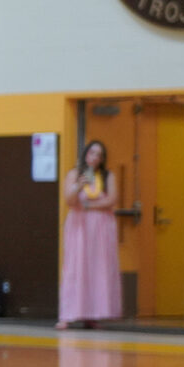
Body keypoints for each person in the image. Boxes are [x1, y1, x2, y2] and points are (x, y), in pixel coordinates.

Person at [56, 140, 121, 330]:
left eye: (99, 155)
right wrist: (78, 186)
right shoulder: (74, 174)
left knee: (97, 269)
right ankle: (67, 315)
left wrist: (88, 206)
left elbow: (111, 200)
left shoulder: (107, 176)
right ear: (85, 154)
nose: (95, 157)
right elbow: (69, 200)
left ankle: (92, 315)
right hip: (79, 227)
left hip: (101, 228)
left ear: (102, 159)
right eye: (92, 153)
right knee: (75, 268)